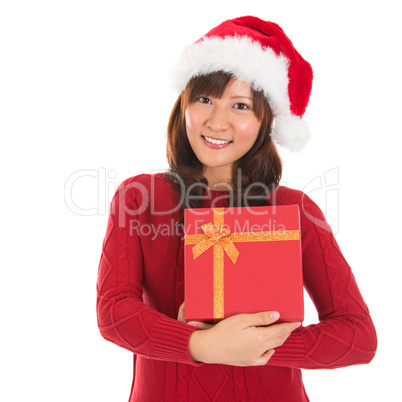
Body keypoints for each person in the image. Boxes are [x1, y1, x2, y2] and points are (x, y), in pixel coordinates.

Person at [96, 16, 377, 401]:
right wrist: (203, 345)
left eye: (240, 105)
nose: (217, 121)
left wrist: (255, 346)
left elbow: (358, 336)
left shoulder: (296, 209)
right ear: (184, 105)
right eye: (205, 98)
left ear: (265, 122)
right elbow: (114, 313)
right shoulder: (138, 198)